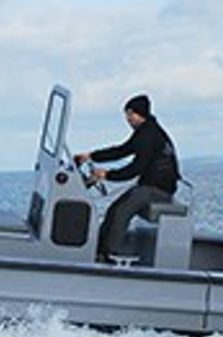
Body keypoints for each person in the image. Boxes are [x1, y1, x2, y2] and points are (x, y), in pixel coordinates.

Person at [76, 94, 180, 261]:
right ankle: (98, 251)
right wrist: (91, 156)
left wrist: (107, 175)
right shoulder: (145, 131)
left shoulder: (148, 135)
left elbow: (135, 169)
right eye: (127, 114)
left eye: (130, 114)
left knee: (122, 210)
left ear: (140, 113)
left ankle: (107, 255)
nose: (128, 119)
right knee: (114, 209)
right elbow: (122, 150)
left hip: (158, 190)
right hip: (150, 187)